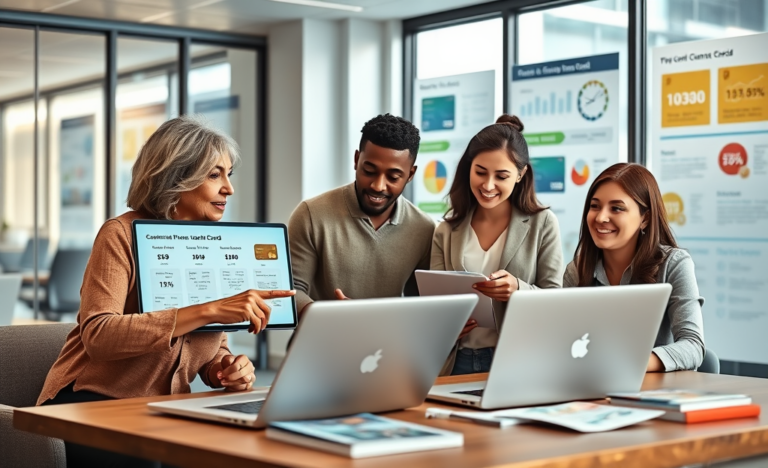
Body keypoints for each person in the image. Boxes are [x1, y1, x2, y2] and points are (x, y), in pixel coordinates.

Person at [37, 116, 295, 467]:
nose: (229, 189)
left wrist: (224, 368)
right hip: (86, 402)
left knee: (247, 451)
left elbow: (208, 344)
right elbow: (99, 336)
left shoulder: (215, 244)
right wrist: (211, 309)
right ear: (176, 177)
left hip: (162, 410)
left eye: (229, 174)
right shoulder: (119, 235)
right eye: (214, 175)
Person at [432, 114, 564, 375]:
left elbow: (555, 301)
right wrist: (446, 325)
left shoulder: (543, 223)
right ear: (468, 168)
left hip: (516, 359)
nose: (488, 185)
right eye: (480, 172)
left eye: (501, 176)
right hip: (455, 361)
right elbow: (434, 304)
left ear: (520, 175)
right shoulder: (445, 231)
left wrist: (518, 288)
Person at [563, 162, 704, 372]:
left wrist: (632, 363)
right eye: (595, 206)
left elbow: (693, 346)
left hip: (653, 386)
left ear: (645, 218)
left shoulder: (674, 264)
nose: (601, 217)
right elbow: (565, 344)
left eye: (616, 208)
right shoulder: (577, 270)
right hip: (591, 383)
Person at [288, 114, 434, 316]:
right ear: (357, 160)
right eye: (369, 171)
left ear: (410, 175)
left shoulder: (424, 228)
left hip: (388, 337)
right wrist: (327, 315)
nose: (378, 186)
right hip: (322, 334)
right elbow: (290, 289)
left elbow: (421, 303)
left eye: (393, 177)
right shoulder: (311, 214)